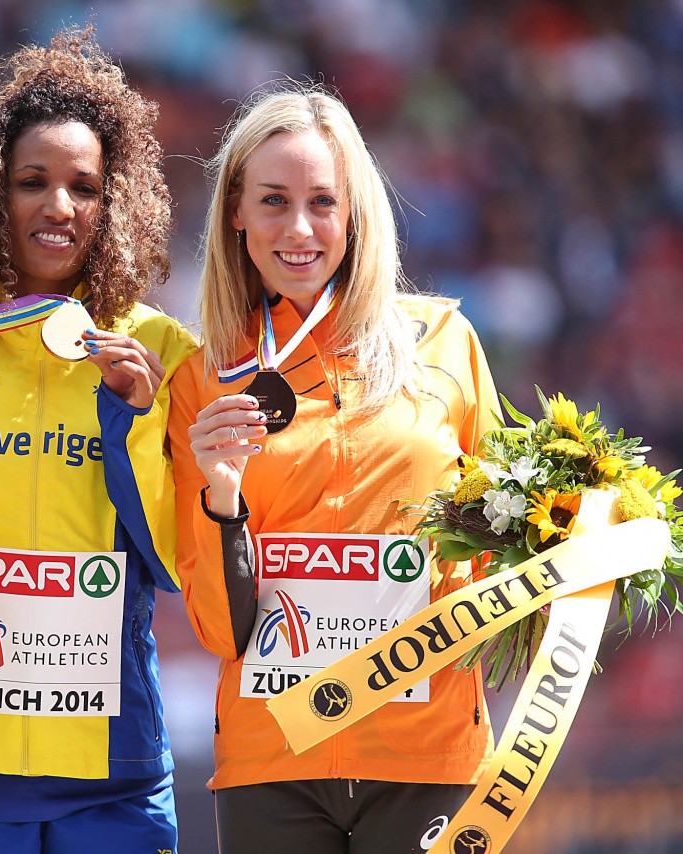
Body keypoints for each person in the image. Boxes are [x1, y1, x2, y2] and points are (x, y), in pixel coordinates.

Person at [0, 29, 196, 854]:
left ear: (113, 203)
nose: (59, 207)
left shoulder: (158, 348)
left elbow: (176, 557)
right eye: (32, 183)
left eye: (84, 187)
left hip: (112, 764)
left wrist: (130, 420)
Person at [167, 84, 499, 854]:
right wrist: (222, 496)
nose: (299, 228)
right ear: (235, 212)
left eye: (323, 202)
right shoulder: (201, 378)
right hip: (272, 759)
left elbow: (504, 547)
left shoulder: (444, 344)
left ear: (355, 214)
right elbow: (219, 627)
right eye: (273, 201)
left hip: (429, 754)